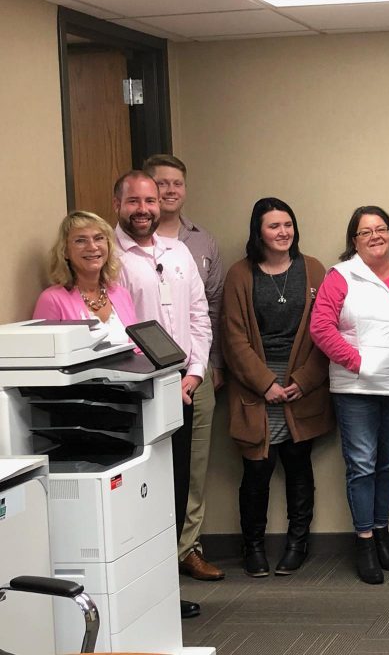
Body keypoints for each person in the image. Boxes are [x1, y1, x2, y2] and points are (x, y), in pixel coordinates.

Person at [311, 206, 389, 584]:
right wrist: (358, 362)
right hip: (357, 389)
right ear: (354, 240)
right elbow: (321, 327)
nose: (375, 236)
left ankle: (382, 534)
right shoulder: (341, 277)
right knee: (362, 465)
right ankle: (364, 541)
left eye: (381, 229)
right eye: (365, 232)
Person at [112, 170, 211, 619]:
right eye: (134, 201)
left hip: (182, 390)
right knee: (140, 492)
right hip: (137, 394)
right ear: (118, 206)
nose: (144, 209)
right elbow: (116, 332)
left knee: (174, 488)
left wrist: (194, 373)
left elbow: (198, 315)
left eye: (150, 201)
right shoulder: (110, 256)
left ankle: (164, 589)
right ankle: (135, 591)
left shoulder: (178, 253)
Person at [221, 198, 332, 578]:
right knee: (257, 469)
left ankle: (297, 544)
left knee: (299, 465)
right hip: (256, 387)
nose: (283, 232)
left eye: (288, 224)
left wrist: (303, 380)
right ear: (259, 231)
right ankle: (253, 546)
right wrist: (265, 382)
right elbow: (233, 337)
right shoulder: (240, 274)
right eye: (274, 226)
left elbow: (327, 331)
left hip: (302, 382)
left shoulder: (313, 269)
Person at [144, 153, 227, 583]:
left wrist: (206, 366)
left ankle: (187, 547)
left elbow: (208, 309)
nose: (169, 190)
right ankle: (149, 550)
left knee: (194, 463)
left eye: (177, 183)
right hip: (144, 376)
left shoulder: (202, 242)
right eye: (161, 183)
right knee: (151, 463)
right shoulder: (124, 244)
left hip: (197, 372)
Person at [34, 211, 136, 342]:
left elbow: (137, 350)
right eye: (80, 241)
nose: (92, 247)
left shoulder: (121, 294)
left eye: (99, 238)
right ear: (65, 251)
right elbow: (45, 355)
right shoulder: (52, 300)